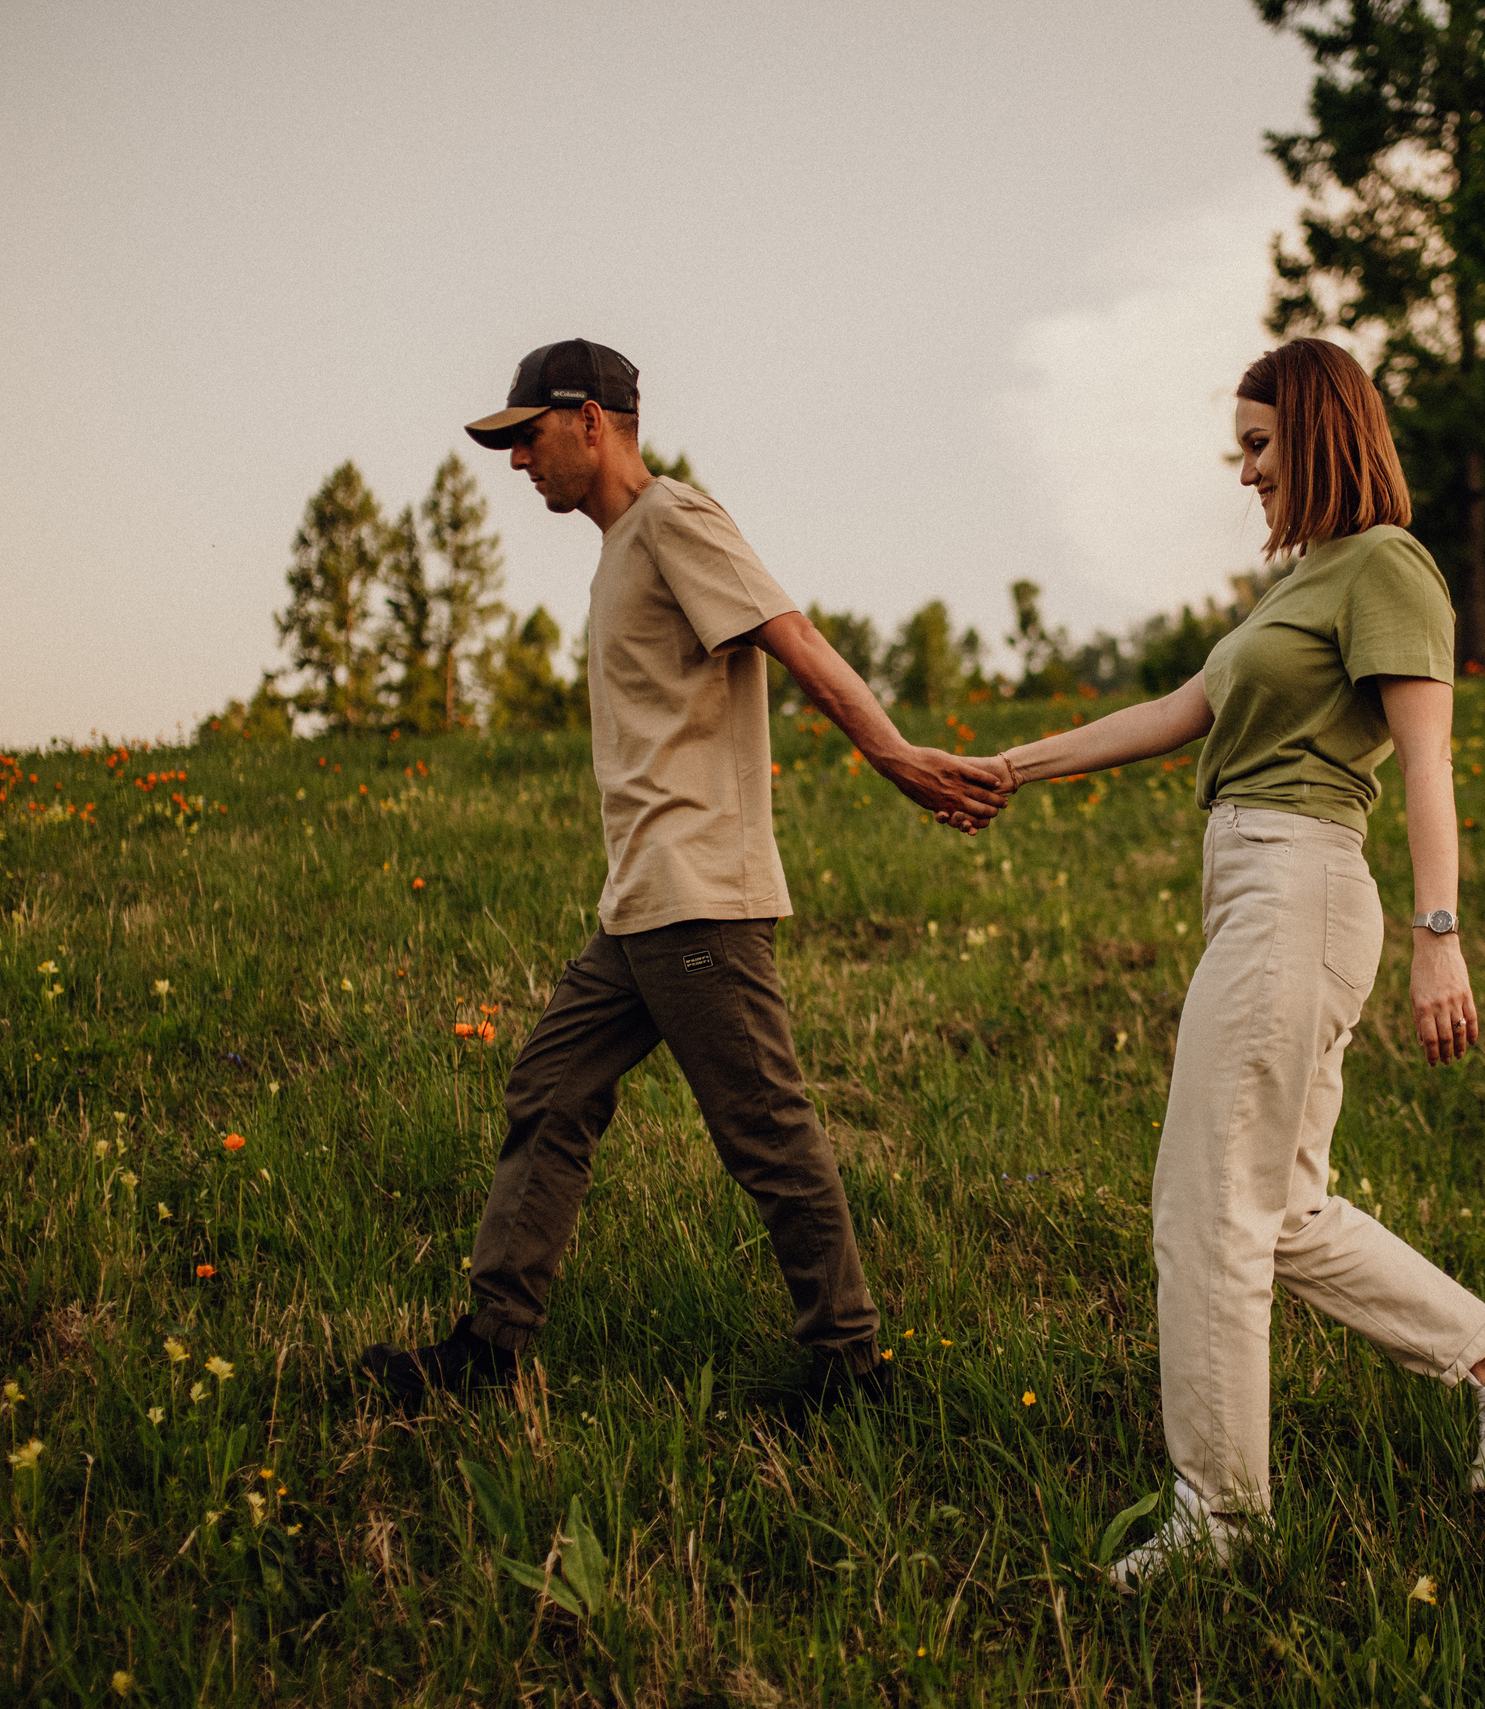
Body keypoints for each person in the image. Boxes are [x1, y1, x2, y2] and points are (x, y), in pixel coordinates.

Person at [986, 338, 1485, 1588]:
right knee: (1280, 1207)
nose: (1247, 473)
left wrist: (1444, 936)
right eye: (1240, 451)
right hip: (1252, 883)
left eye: (1260, 446)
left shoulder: (1385, 565)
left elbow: (1425, 759)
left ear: (1318, 436)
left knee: (1205, 1202)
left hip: (1304, 881)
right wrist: (1002, 768)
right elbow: (1176, 711)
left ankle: (1220, 1517)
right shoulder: (1294, 585)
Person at [360, 339, 1010, 1414]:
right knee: (550, 1088)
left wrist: (895, 754)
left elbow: (791, 635)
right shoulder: (620, 546)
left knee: (765, 1131)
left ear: (589, 420)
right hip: (643, 903)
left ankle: (851, 1367)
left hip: (699, 892)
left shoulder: (674, 519)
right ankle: (487, 1349)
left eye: (526, 436)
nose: (516, 460)